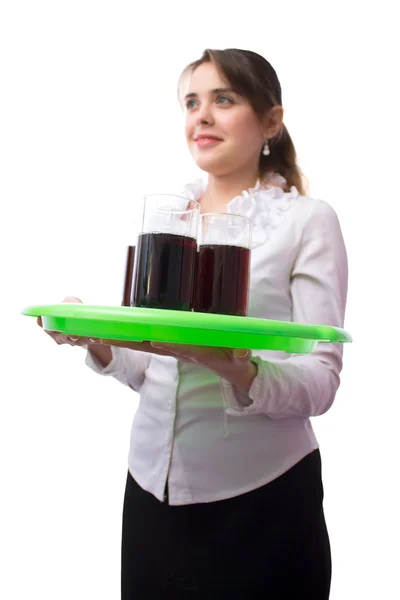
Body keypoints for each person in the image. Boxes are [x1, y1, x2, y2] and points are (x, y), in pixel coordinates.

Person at [39, 48, 348, 598]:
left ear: (271, 121)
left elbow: (321, 381)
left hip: (262, 501)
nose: (200, 116)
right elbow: (154, 366)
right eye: (191, 102)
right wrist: (103, 345)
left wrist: (236, 369)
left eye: (223, 99)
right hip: (149, 496)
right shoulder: (167, 218)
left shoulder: (307, 221)